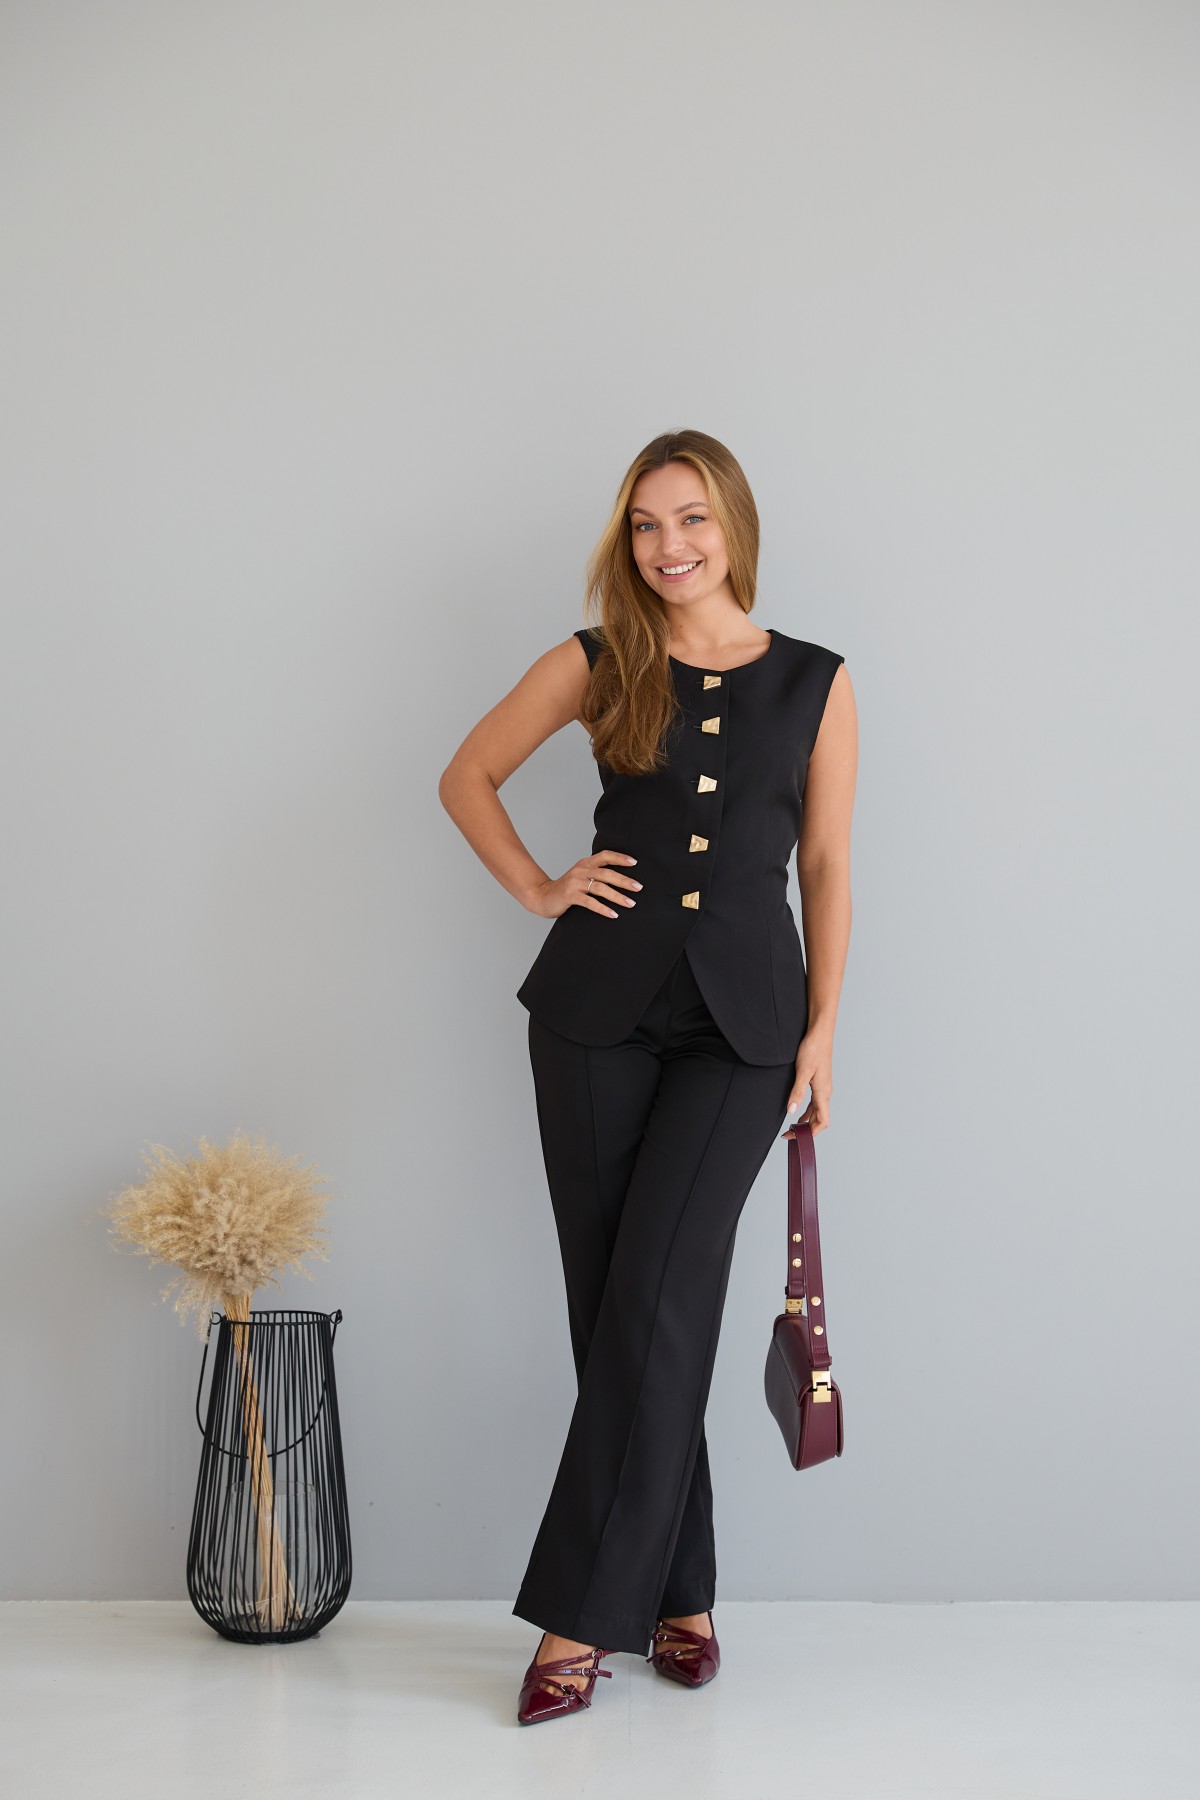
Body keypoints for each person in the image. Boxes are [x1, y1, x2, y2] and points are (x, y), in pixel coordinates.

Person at [438, 428, 857, 1725]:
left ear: (734, 525)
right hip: (592, 1018)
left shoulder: (815, 681)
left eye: (692, 519)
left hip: (744, 1030)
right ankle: (682, 1589)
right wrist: (539, 887)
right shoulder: (597, 660)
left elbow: (826, 864)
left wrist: (824, 1028)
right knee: (616, 1310)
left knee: (662, 1299)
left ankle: (578, 1617)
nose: (669, 546)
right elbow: (467, 774)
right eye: (644, 525)